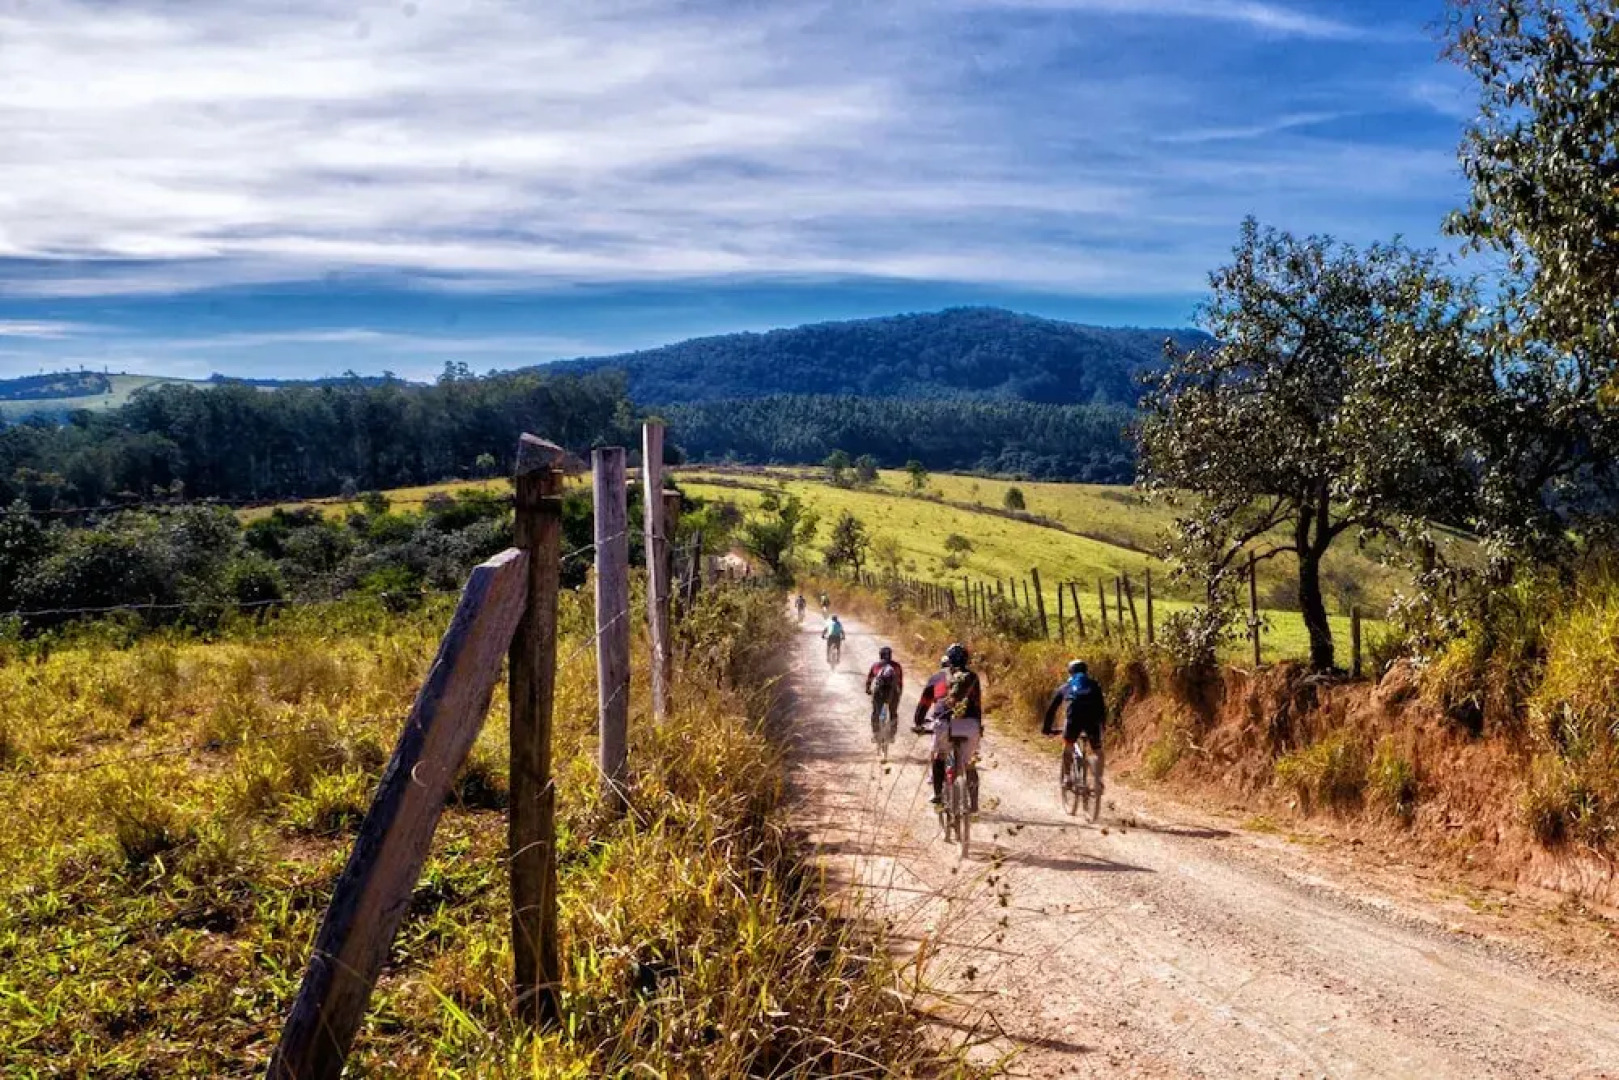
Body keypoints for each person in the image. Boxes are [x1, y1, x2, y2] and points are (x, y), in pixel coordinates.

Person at [928, 643, 983, 811]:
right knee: (970, 764)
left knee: (939, 756)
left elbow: (937, 704)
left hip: (946, 724)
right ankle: (973, 806)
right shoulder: (973, 677)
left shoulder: (941, 677)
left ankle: (938, 795)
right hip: (970, 726)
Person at [1042, 659, 1106, 791]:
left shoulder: (1065, 687)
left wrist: (1046, 728)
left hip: (1074, 719)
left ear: (1070, 672)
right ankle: (1098, 780)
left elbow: (1052, 709)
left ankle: (1067, 777)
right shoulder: (1094, 685)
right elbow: (1102, 707)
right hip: (1093, 719)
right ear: (1086, 671)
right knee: (1098, 750)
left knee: (1068, 744)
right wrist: (1102, 724)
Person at [865, 646, 904, 737]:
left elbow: (870, 679)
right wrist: (899, 693)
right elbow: (900, 682)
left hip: (879, 693)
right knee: (893, 713)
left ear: (880, 655)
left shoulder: (876, 665)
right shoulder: (897, 666)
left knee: (876, 712)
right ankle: (892, 734)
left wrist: (868, 689)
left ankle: (875, 733)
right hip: (893, 693)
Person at [911, 657, 952, 733]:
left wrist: (918, 722)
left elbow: (924, 701)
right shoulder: (969, 678)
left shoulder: (936, 678)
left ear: (942, 665)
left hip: (942, 720)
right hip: (967, 725)